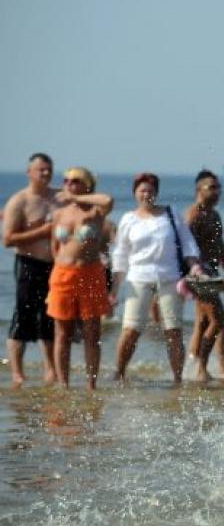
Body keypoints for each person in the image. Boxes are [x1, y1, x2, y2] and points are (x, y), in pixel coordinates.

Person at [110, 173, 202, 385]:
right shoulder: (128, 219)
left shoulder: (170, 214)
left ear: (157, 193)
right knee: (131, 330)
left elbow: (187, 243)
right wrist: (114, 289)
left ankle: (177, 379)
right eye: (142, 190)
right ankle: (119, 373)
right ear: (135, 193)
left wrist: (194, 266)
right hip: (138, 279)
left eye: (150, 191)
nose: (146, 194)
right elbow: (120, 255)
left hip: (169, 277)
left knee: (173, 330)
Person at [46, 167, 114, 389]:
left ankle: (91, 385)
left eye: (75, 181)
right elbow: (55, 246)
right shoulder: (60, 214)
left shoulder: (96, 212)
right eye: (66, 181)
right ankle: (63, 384)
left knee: (91, 332)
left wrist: (76, 197)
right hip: (63, 275)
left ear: (87, 185)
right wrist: (60, 268)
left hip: (90, 273)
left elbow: (108, 199)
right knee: (62, 333)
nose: (69, 184)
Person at [3, 153, 59, 386]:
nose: (45, 173)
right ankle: (17, 372)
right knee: (23, 316)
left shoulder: (59, 197)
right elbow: (8, 239)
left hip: (54, 265)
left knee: (49, 317)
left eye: (48, 169)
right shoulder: (20, 201)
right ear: (29, 172)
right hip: (28, 263)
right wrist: (43, 230)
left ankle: (50, 370)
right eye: (41, 170)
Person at [185, 170, 224, 381]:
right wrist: (188, 274)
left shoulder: (214, 215)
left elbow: (218, 249)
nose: (218, 192)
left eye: (219, 188)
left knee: (204, 322)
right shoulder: (194, 214)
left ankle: (192, 365)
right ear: (199, 190)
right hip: (198, 275)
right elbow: (182, 247)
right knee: (221, 321)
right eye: (212, 188)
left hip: (212, 273)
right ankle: (202, 369)